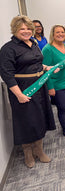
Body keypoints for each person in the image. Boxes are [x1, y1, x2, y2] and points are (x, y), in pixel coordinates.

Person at [0, 16, 56, 168]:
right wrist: (19, 94)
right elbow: (6, 74)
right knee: (26, 120)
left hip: (40, 86)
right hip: (23, 89)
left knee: (40, 117)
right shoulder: (8, 48)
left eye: (28, 29)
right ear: (15, 30)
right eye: (22, 29)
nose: (26, 32)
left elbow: (37, 63)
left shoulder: (34, 44)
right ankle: (28, 154)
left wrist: (47, 68)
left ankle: (39, 150)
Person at [42, 25, 65, 139]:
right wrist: (50, 87)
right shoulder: (48, 49)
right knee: (64, 107)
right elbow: (46, 70)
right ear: (53, 34)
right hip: (58, 86)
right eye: (57, 32)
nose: (60, 34)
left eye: (62, 32)